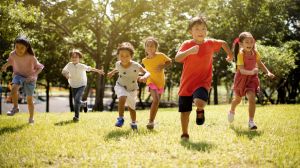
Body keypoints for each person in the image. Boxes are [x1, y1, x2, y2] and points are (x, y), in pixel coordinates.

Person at [175, 16, 233, 140]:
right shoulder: (187, 44)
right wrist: (189, 51)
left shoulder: (210, 43)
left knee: (200, 102)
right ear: (191, 32)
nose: (201, 31)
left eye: (203, 29)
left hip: (202, 82)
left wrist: (230, 54)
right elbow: (177, 58)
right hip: (187, 83)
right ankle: (185, 133)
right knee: (185, 111)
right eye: (197, 29)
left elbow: (223, 43)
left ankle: (200, 109)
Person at [228, 32, 275, 130]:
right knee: (238, 100)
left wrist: (268, 72)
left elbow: (260, 63)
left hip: (252, 79)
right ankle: (232, 110)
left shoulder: (256, 53)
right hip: (241, 79)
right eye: (247, 42)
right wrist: (252, 71)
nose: (249, 44)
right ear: (241, 44)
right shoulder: (240, 54)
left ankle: (251, 122)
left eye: (251, 42)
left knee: (252, 99)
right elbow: (241, 70)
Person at [1, 36, 44, 124]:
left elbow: (40, 67)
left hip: (30, 78)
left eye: (21, 48)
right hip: (18, 75)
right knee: (13, 89)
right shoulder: (12, 54)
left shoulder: (31, 57)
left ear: (26, 48)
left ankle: (31, 119)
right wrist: (5, 65)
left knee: (29, 99)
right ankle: (15, 108)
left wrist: (34, 75)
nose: (18, 50)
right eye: (16, 47)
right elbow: (11, 61)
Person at [108, 42, 150, 131]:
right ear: (118, 56)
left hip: (132, 89)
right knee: (122, 97)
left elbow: (147, 72)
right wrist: (112, 72)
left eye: (127, 56)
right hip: (120, 85)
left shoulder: (136, 65)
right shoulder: (118, 64)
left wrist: (144, 77)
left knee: (132, 108)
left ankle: (133, 122)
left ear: (131, 56)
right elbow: (118, 69)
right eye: (121, 55)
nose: (124, 58)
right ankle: (120, 118)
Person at [62, 49, 104, 122]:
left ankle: (76, 117)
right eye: (73, 57)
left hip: (82, 84)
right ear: (70, 58)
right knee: (76, 101)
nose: (74, 58)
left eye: (76, 57)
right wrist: (66, 75)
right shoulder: (69, 65)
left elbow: (90, 68)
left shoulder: (81, 66)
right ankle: (83, 104)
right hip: (73, 84)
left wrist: (98, 71)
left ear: (79, 58)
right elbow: (63, 71)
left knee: (77, 99)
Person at [142, 37, 171, 129]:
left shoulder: (161, 56)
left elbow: (169, 62)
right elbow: (146, 71)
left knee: (156, 101)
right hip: (151, 81)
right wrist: (142, 77)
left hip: (160, 82)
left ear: (156, 47)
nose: (150, 47)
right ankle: (150, 121)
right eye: (148, 46)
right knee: (156, 99)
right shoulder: (144, 60)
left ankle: (152, 121)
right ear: (145, 47)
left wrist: (163, 66)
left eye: (152, 46)